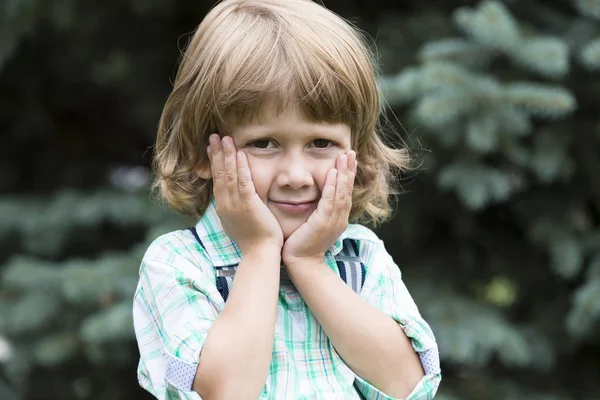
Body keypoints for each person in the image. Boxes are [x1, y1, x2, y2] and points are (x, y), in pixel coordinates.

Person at [132, 0, 441, 399]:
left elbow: (407, 385)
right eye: (263, 143)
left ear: (356, 152)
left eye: (321, 143)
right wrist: (261, 250)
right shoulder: (178, 264)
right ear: (200, 153)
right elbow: (223, 393)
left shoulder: (362, 258)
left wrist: (309, 263)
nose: (295, 177)